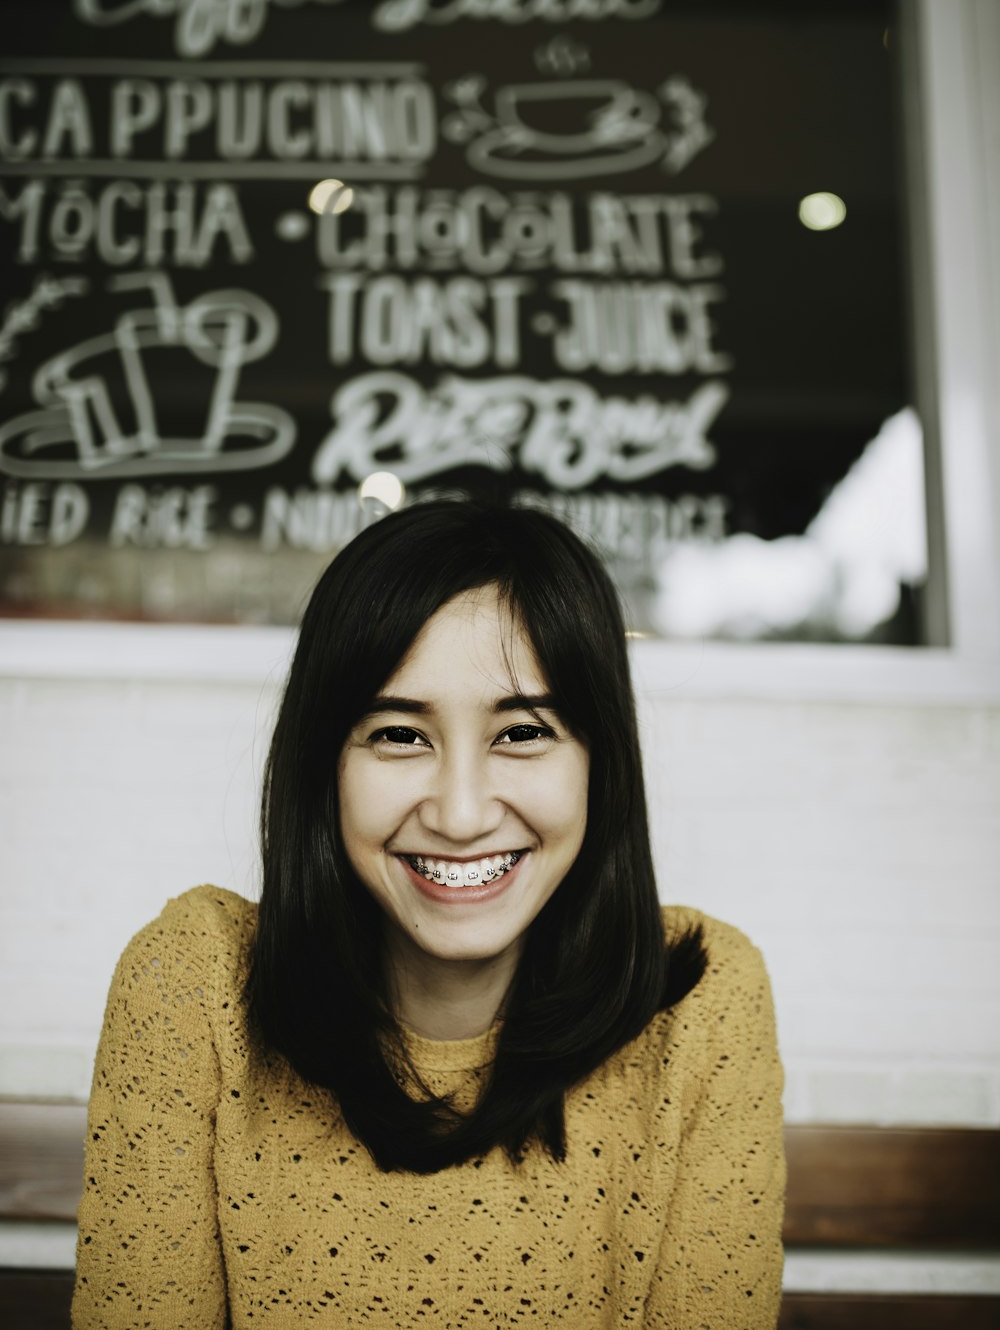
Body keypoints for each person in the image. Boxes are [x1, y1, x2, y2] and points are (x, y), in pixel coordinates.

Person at [72, 499, 785, 1328]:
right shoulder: (195, 984)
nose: (459, 813)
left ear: (601, 763)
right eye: (399, 736)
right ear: (324, 766)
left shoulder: (701, 1003)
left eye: (522, 732)